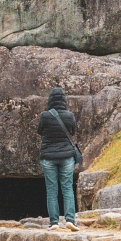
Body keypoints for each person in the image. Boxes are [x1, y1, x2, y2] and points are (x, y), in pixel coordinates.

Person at [37, 87, 80, 231]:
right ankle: (70, 220)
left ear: (50, 99)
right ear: (63, 100)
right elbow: (73, 132)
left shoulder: (44, 116)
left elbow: (39, 131)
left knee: (51, 190)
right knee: (67, 188)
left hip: (48, 157)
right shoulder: (69, 115)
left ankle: (54, 223)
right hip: (67, 156)